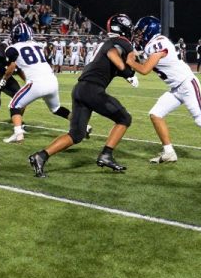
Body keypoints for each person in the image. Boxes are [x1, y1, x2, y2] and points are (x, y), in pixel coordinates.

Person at [28, 14, 138, 178]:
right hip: (92, 90)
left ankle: (40, 156)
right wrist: (126, 71)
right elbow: (112, 53)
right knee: (124, 119)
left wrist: (126, 74)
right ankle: (106, 155)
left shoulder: (108, 42)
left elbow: (108, 64)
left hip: (80, 89)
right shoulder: (119, 42)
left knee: (76, 135)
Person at [130, 16, 201, 165]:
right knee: (155, 114)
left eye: (140, 32)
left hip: (187, 84)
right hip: (176, 88)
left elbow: (145, 69)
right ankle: (169, 152)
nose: (138, 35)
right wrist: (134, 55)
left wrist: (129, 61)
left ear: (149, 30)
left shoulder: (158, 43)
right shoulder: (153, 44)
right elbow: (145, 59)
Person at [0, 22, 71, 144]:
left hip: (37, 83)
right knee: (56, 108)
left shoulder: (12, 49)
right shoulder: (37, 45)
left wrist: (3, 78)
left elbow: (11, 65)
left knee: (14, 105)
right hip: (52, 80)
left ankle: (18, 134)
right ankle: (82, 126)